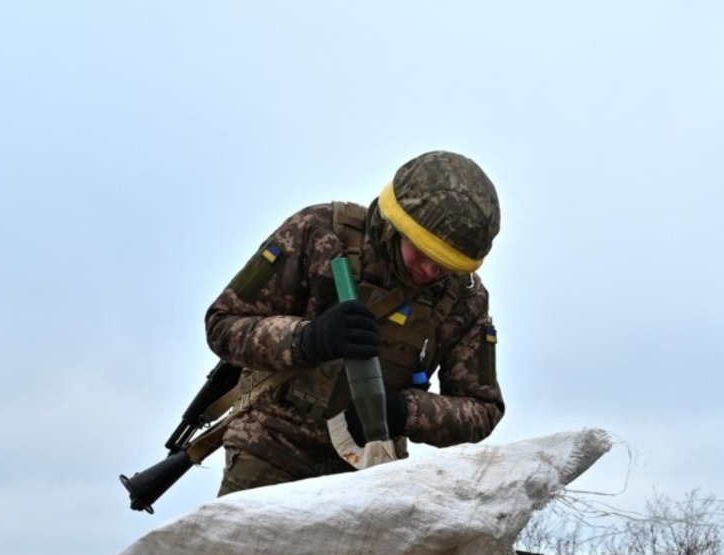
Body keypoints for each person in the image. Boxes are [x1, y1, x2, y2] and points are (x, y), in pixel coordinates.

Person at [205, 150, 504, 495]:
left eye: (446, 264)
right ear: (396, 225)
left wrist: (405, 412)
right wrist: (308, 339)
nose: (430, 271)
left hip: (369, 470)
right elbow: (223, 324)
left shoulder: (465, 301)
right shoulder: (318, 233)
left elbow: (482, 409)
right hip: (271, 446)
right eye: (422, 252)